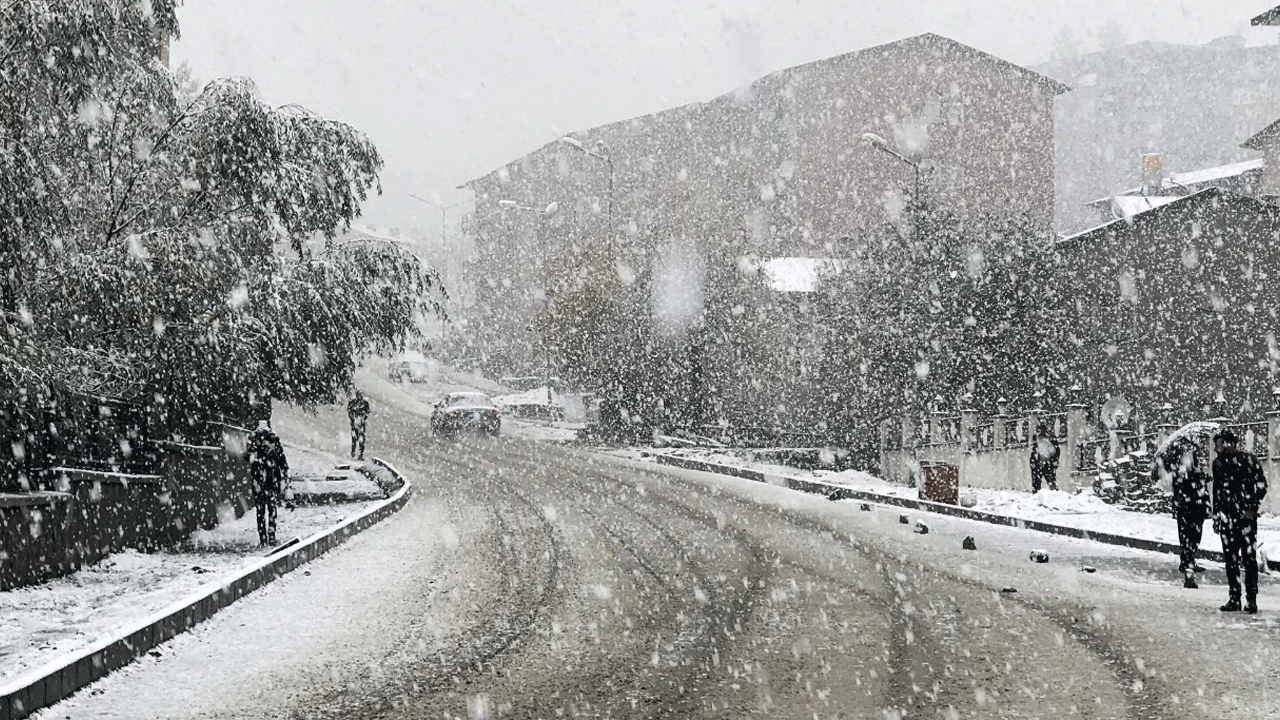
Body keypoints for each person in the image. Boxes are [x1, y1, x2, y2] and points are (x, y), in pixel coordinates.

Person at [1212, 429, 1268, 613]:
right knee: (1231, 559)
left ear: (1228, 443)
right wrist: (1217, 516)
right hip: (1227, 517)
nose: (1215, 448)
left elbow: (1261, 485)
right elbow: (1218, 491)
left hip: (1245, 518)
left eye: (1218, 444)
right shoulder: (1218, 463)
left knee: (1249, 559)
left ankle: (1251, 599)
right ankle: (1234, 597)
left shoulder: (1248, 460)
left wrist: (1252, 508)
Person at [1153, 437, 1210, 588]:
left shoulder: (1194, 466)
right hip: (1186, 506)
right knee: (1187, 535)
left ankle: (1189, 560)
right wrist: (1193, 477)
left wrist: (1202, 477)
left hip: (1196, 506)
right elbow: (1178, 485)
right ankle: (1187, 562)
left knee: (1195, 534)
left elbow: (1197, 482)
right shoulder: (1179, 469)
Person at [247, 420, 288, 546]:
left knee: (261, 510)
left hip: (259, 480)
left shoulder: (254, 441)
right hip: (271, 479)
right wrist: (285, 471)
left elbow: (248, 458)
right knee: (271, 508)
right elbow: (281, 458)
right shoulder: (273, 440)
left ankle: (263, 536)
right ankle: (271, 535)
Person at [1029, 425, 1060, 493]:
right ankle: (1037, 494)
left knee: (1050, 481)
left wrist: (1055, 460)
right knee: (1038, 482)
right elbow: (1034, 451)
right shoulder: (1037, 438)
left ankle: (1054, 493)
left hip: (1046, 463)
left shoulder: (1050, 439)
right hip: (1040, 463)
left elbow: (1056, 450)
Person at [348, 390, 370, 460]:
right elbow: (349, 411)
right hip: (356, 423)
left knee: (361, 440)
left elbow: (367, 412)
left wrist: (362, 418)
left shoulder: (363, 403)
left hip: (360, 423)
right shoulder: (353, 403)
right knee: (355, 438)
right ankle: (354, 451)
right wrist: (353, 418)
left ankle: (359, 454)